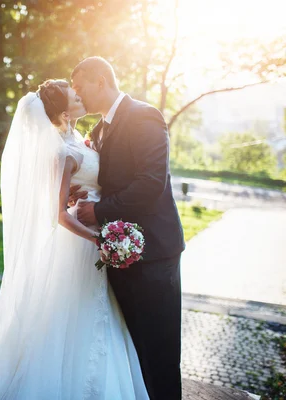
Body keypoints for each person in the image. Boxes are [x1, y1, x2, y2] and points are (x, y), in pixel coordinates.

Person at [0, 78, 149, 399]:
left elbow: (72, 194)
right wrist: (98, 239)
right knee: (74, 313)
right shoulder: (63, 151)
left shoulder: (80, 140)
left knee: (91, 314)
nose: (81, 98)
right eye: (74, 99)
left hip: (89, 238)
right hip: (80, 243)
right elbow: (58, 214)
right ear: (64, 114)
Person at [70, 56, 185, 400]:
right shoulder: (99, 128)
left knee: (159, 350)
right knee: (132, 349)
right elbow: (111, 179)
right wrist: (85, 192)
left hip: (154, 254)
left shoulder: (144, 116)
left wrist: (99, 210)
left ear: (101, 81)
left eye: (80, 87)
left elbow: (151, 183)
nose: (77, 96)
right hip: (118, 251)